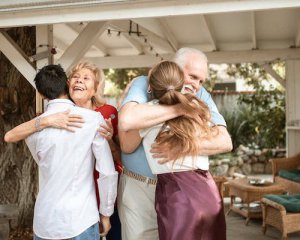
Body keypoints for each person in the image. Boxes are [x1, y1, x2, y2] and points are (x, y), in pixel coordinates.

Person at [118, 48, 232, 240]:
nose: (197, 85)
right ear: (175, 68)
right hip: (141, 189)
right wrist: (180, 108)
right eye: (193, 76)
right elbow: (127, 123)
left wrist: (182, 146)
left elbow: (225, 141)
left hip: (179, 193)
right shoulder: (143, 83)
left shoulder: (200, 94)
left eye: (201, 80)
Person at [5, 62, 122, 240]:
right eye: (76, 77)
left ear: (41, 94)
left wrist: (44, 122)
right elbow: (107, 172)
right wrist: (106, 214)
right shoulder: (93, 120)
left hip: (45, 220)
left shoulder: (32, 129)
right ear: (67, 84)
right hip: (80, 218)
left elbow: (43, 162)